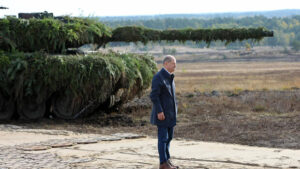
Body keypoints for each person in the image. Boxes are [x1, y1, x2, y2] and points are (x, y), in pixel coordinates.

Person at [150, 55, 179, 169]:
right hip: (162, 114)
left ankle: (167, 160)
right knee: (163, 138)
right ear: (166, 64)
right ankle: (163, 163)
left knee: (169, 138)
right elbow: (154, 96)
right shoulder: (158, 77)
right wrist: (159, 111)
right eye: (173, 63)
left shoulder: (170, 77)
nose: (175, 66)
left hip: (170, 115)